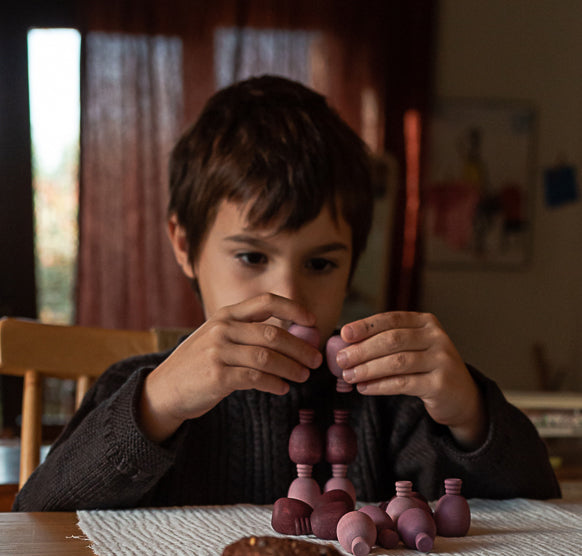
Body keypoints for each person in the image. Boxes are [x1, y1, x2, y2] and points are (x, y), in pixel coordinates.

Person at [13, 75, 560, 511]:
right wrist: (156, 405)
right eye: (252, 257)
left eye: (320, 263)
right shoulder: (141, 396)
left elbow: (537, 512)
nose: (289, 297)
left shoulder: (389, 407)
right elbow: (35, 520)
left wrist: (469, 413)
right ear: (184, 244)